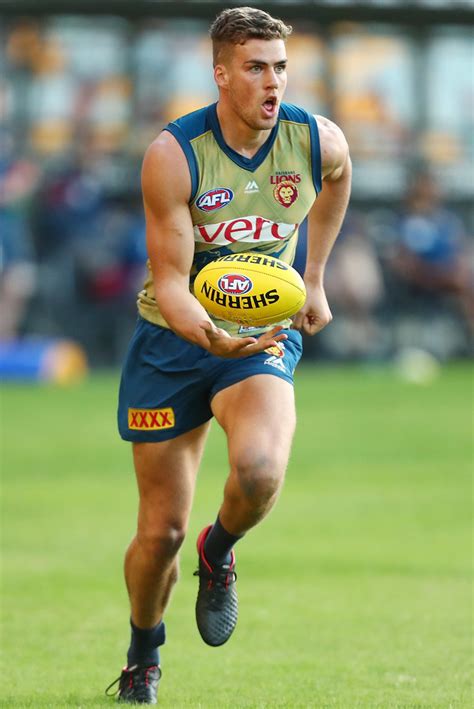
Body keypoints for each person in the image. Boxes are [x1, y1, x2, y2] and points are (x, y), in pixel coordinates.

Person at [106, 6, 351, 704]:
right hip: (172, 339)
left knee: (260, 469)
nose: (273, 83)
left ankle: (219, 552)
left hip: (263, 334)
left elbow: (340, 178)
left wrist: (316, 277)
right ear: (220, 73)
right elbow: (173, 286)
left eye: (280, 67)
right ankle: (143, 653)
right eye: (255, 68)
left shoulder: (315, 139)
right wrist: (207, 334)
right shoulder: (173, 154)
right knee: (160, 534)